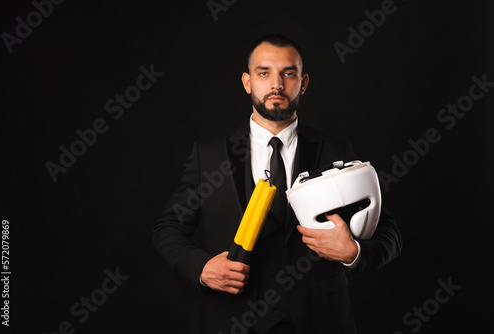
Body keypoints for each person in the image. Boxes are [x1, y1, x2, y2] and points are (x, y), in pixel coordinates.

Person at [153, 34, 402, 334]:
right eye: (264, 72)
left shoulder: (336, 152)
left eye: (289, 73)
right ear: (247, 82)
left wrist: (354, 253)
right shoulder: (209, 156)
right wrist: (203, 269)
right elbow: (167, 229)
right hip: (230, 318)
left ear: (304, 82)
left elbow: (390, 234)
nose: (277, 84)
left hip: (319, 320)